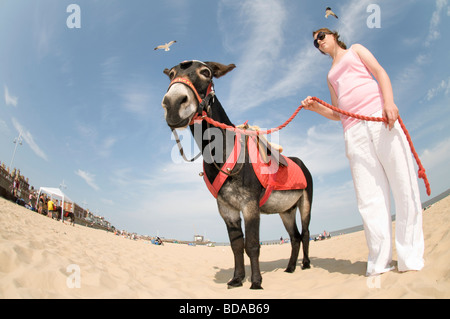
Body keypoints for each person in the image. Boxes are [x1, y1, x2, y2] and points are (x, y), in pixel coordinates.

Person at [301, 28, 424, 276]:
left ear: (333, 35)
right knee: (369, 198)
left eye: (321, 36)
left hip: (379, 117)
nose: (319, 42)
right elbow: (337, 113)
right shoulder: (330, 75)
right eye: (315, 42)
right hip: (353, 132)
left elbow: (379, 73)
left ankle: (410, 258)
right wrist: (315, 109)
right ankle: (380, 262)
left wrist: (388, 102)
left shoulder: (356, 49)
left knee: (404, 184)